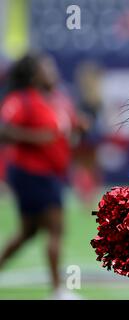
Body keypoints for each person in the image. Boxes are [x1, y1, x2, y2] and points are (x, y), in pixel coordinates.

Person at [0, 52, 83, 299]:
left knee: (28, 232)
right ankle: (58, 289)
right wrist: (37, 138)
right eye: (47, 68)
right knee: (56, 227)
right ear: (34, 73)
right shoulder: (21, 99)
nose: (52, 72)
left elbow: (67, 129)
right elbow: (4, 131)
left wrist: (80, 127)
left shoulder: (57, 99)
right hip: (31, 172)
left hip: (52, 173)